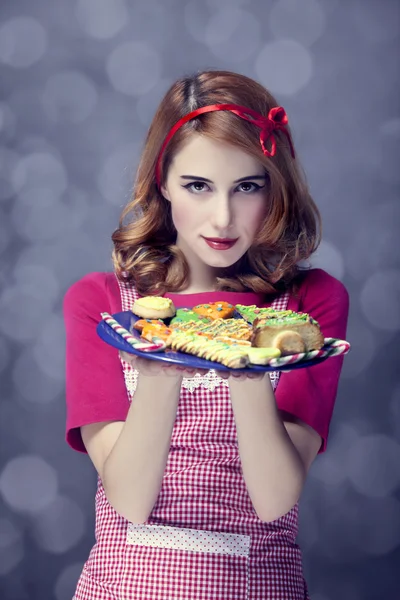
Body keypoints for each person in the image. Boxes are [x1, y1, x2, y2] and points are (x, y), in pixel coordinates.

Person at [63, 70, 349, 600]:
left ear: (275, 188)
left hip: (259, 586)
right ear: (162, 181)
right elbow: (128, 498)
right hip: (124, 587)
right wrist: (160, 360)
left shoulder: (309, 305)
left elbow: (274, 498)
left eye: (247, 187)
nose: (223, 217)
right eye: (198, 186)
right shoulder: (101, 305)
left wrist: (241, 355)